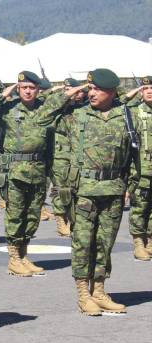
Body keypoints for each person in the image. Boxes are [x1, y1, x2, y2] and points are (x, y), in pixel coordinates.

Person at [57, 69, 136, 316]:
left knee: (104, 244)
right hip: (84, 191)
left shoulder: (126, 117)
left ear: (112, 92)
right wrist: (69, 94)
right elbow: (42, 117)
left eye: (97, 89)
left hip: (113, 189)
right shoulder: (75, 116)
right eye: (89, 89)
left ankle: (99, 291)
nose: (91, 93)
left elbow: (134, 154)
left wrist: (130, 187)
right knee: (83, 244)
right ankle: (83, 294)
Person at [0, 71, 64, 277]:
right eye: (23, 87)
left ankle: (23, 255)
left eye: (31, 88)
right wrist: (3, 95)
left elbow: (61, 103)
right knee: (15, 216)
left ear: (37, 89)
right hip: (14, 172)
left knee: (32, 216)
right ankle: (14, 259)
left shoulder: (43, 109)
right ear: (18, 88)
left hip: (38, 171)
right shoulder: (9, 108)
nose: (27, 91)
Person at [51, 77, 86, 238]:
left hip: (78, 155)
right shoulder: (56, 106)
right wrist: (60, 91)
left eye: (77, 91)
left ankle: (73, 219)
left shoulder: (83, 108)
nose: (74, 94)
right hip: (59, 155)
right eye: (68, 90)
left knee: (75, 189)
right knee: (60, 188)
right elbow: (45, 97)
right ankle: (60, 220)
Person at [128, 76, 152, 260]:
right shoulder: (134, 113)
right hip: (140, 170)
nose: (149, 91)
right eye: (145, 88)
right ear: (140, 92)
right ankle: (138, 242)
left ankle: (150, 239)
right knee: (139, 207)